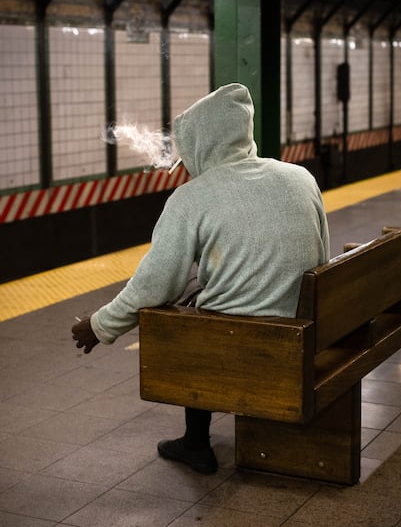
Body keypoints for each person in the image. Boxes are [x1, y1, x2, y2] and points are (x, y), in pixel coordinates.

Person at [72, 82, 330, 475]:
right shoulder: (300, 177)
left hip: (242, 343)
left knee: (191, 312)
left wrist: (99, 325)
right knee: (201, 294)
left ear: (201, 143)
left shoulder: (191, 198)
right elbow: (322, 256)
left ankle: (196, 444)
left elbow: (154, 286)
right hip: (310, 327)